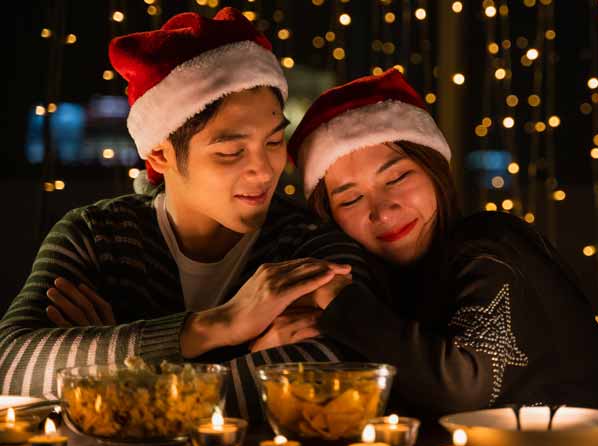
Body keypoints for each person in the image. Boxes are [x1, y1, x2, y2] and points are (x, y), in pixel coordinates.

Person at [0, 8, 375, 420]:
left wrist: (103, 368)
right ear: (160, 154)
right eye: (231, 151)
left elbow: (334, 374)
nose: (265, 169)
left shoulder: (310, 245)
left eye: (273, 141)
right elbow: (11, 367)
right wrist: (221, 327)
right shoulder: (96, 234)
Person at [288, 69, 598, 417]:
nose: (381, 210)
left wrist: (338, 300)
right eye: (350, 200)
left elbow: (463, 386)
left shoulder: (489, 243)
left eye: (397, 177)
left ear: (435, 170)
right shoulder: (389, 285)